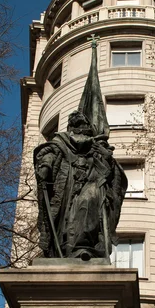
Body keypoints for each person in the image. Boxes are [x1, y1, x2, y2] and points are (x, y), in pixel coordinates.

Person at [34, 111, 127, 260]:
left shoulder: (97, 147)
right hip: (66, 188)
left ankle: (83, 248)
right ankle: (64, 251)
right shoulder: (61, 142)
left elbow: (110, 175)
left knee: (87, 203)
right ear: (71, 128)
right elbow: (49, 153)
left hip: (91, 185)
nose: (81, 131)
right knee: (63, 220)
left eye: (84, 126)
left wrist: (107, 158)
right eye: (78, 126)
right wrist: (46, 167)